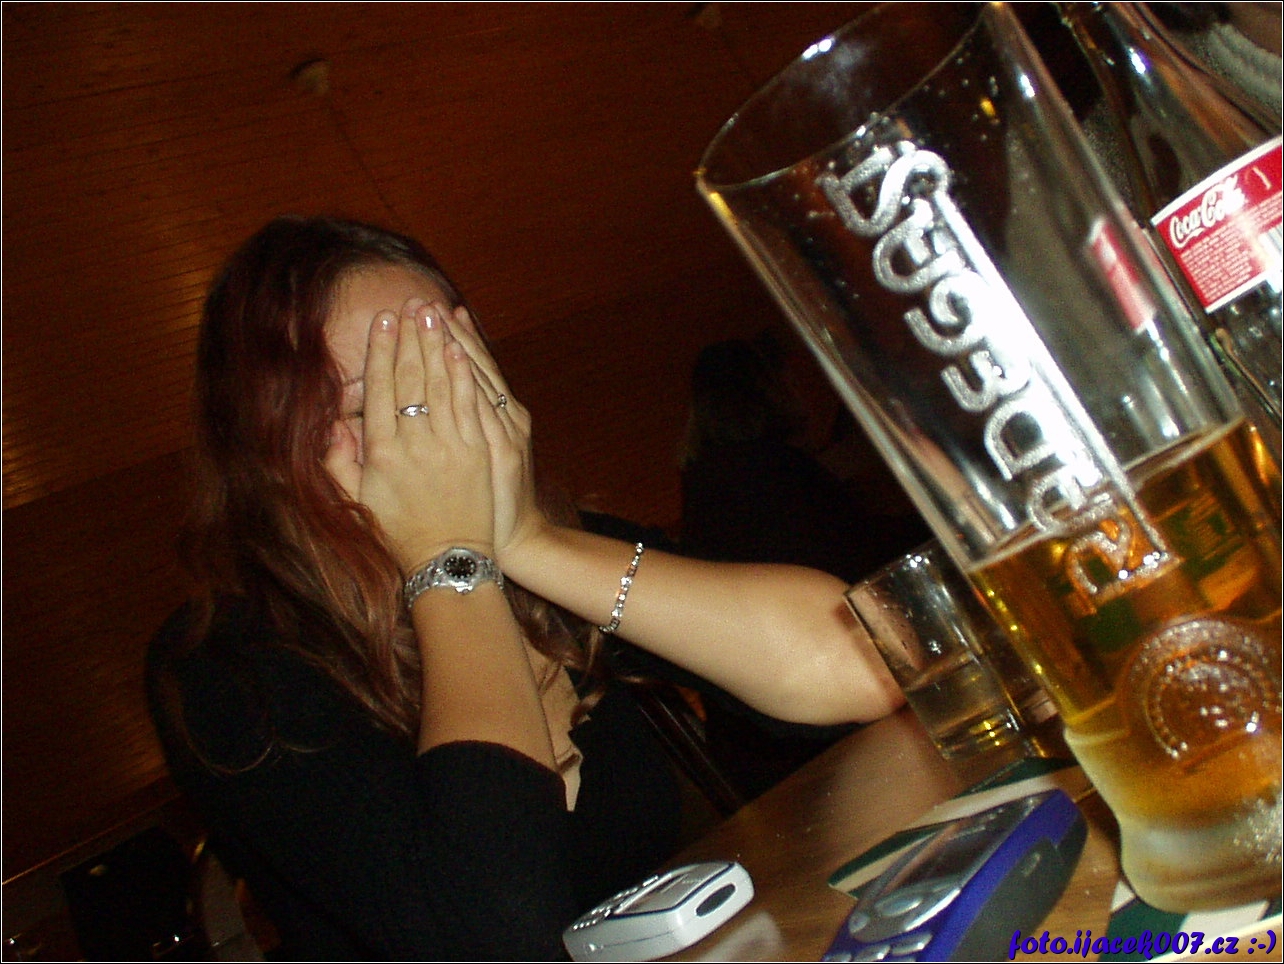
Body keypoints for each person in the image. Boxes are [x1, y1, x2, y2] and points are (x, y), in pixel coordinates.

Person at [146, 215, 903, 959]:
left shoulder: (542, 556)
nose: (443, 428)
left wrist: (527, 541)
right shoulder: (224, 666)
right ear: (273, 448)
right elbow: (500, 930)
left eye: (454, 375)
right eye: (388, 401)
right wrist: (449, 561)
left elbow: (862, 667)